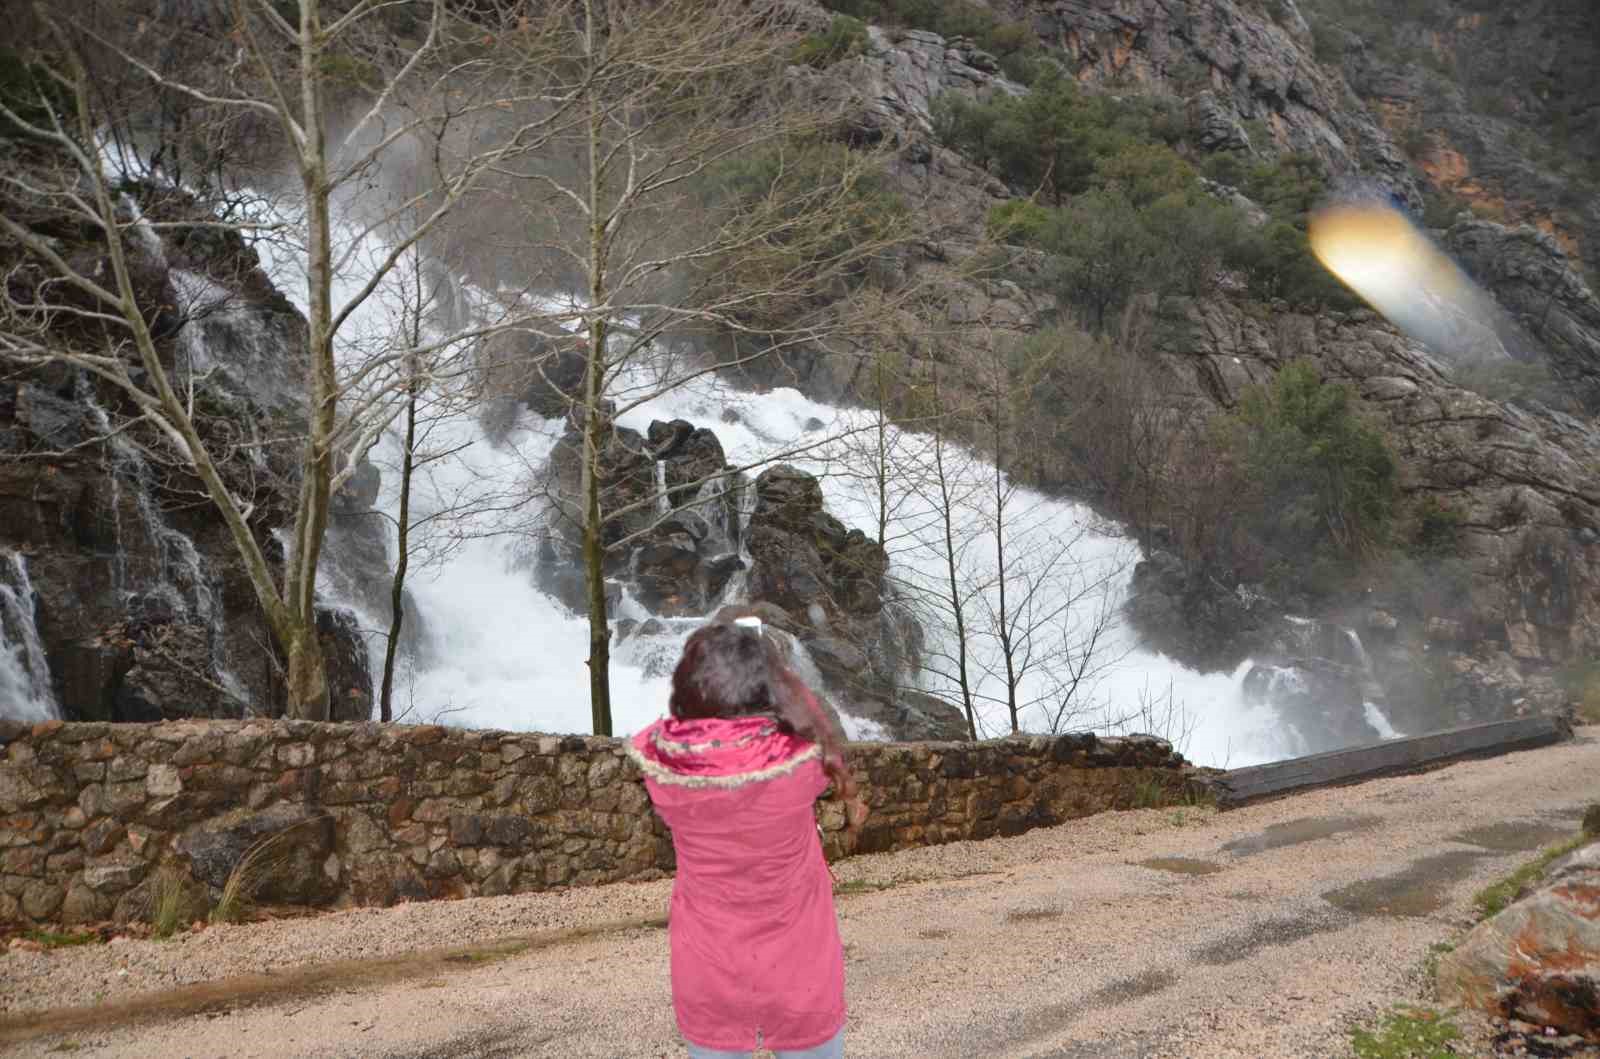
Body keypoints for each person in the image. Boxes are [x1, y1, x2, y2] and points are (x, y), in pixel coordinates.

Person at [627, 607, 869, 1059]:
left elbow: (675, 730)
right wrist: (784, 682)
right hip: (801, 971)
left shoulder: (665, 772)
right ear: (768, 689)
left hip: (708, 970)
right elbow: (818, 728)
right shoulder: (799, 767)